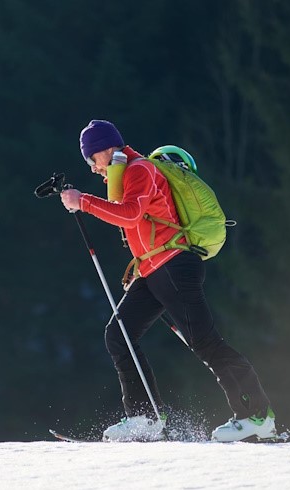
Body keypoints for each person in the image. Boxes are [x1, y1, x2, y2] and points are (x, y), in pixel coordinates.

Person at [60, 119, 276, 442]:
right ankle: (145, 418)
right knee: (118, 335)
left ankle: (257, 416)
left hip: (174, 267)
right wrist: (139, 263)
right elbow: (141, 225)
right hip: (154, 270)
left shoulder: (139, 169)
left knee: (205, 343)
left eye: (92, 159)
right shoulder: (126, 174)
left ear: (106, 149)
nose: (92, 167)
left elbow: (131, 214)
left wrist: (84, 202)